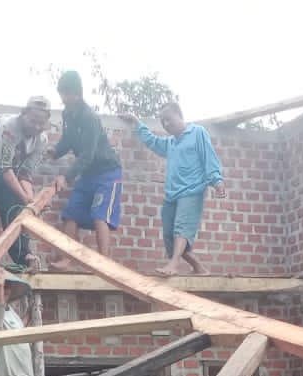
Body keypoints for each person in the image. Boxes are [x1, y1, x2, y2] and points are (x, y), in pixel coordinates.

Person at [122, 102, 225, 278]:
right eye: (162, 122)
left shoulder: (197, 133)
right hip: (171, 194)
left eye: (168, 119)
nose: (166, 124)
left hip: (192, 191)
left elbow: (209, 156)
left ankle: (174, 264)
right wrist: (137, 122)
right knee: (169, 234)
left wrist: (217, 180)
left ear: (179, 114)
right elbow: (152, 141)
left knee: (181, 228)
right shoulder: (171, 143)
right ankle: (199, 267)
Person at [0, 96, 52, 269]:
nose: (37, 127)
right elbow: (4, 167)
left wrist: (30, 202)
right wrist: (26, 199)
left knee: (16, 207)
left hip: (8, 169)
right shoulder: (9, 127)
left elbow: (25, 173)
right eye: (33, 121)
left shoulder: (41, 140)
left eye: (41, 123)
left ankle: (23, 255)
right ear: (23, 114)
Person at [49, 70, 123, 262]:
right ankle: (66, 259)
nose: (64, 98)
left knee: (100, 215)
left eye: (67, 94)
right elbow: (68, 139)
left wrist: (66, 177)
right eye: (62, 93)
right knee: (71, 214)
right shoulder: (67, 114)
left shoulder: (90, 118)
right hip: (88, 174)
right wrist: (55, 151)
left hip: (107, 173)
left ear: (77, 94)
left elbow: (87, 155)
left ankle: (104, 263)